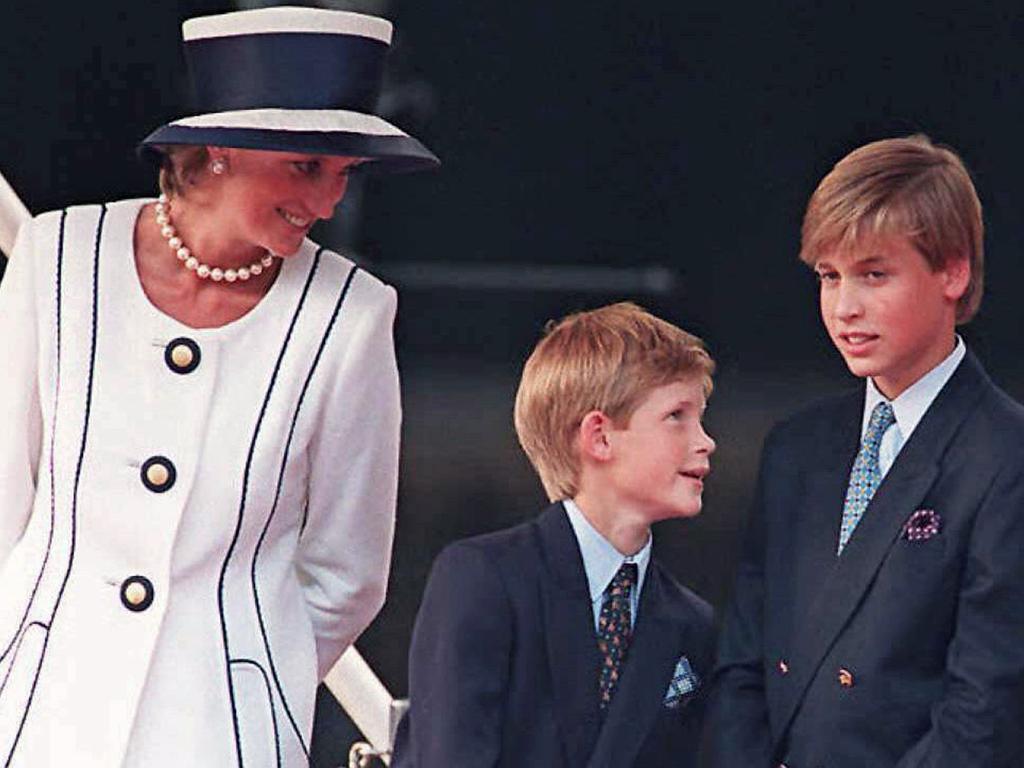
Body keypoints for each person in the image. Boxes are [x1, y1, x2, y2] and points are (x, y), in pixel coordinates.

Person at [0, 7, 437, 767]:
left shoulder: (352, 315)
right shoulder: (57, 257)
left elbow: (349, 571)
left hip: (224, 734)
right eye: (307, 167)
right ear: (223, 146)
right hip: (40, 711)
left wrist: (250, 674)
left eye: (344, 174)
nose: (329, 203)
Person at [710, 135, 1024, 767]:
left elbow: (984, 710)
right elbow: (744, 665)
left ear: (953, 272)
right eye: (829, 277)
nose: (844, 308)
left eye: (874, 274)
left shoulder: (1006, 458)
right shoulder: (795, 450)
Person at [391, 302, 717, 768]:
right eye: (677, 416)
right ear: (599, 437)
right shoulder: (483, 580)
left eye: (700, 417)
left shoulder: (691, 622)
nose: (706, 440)